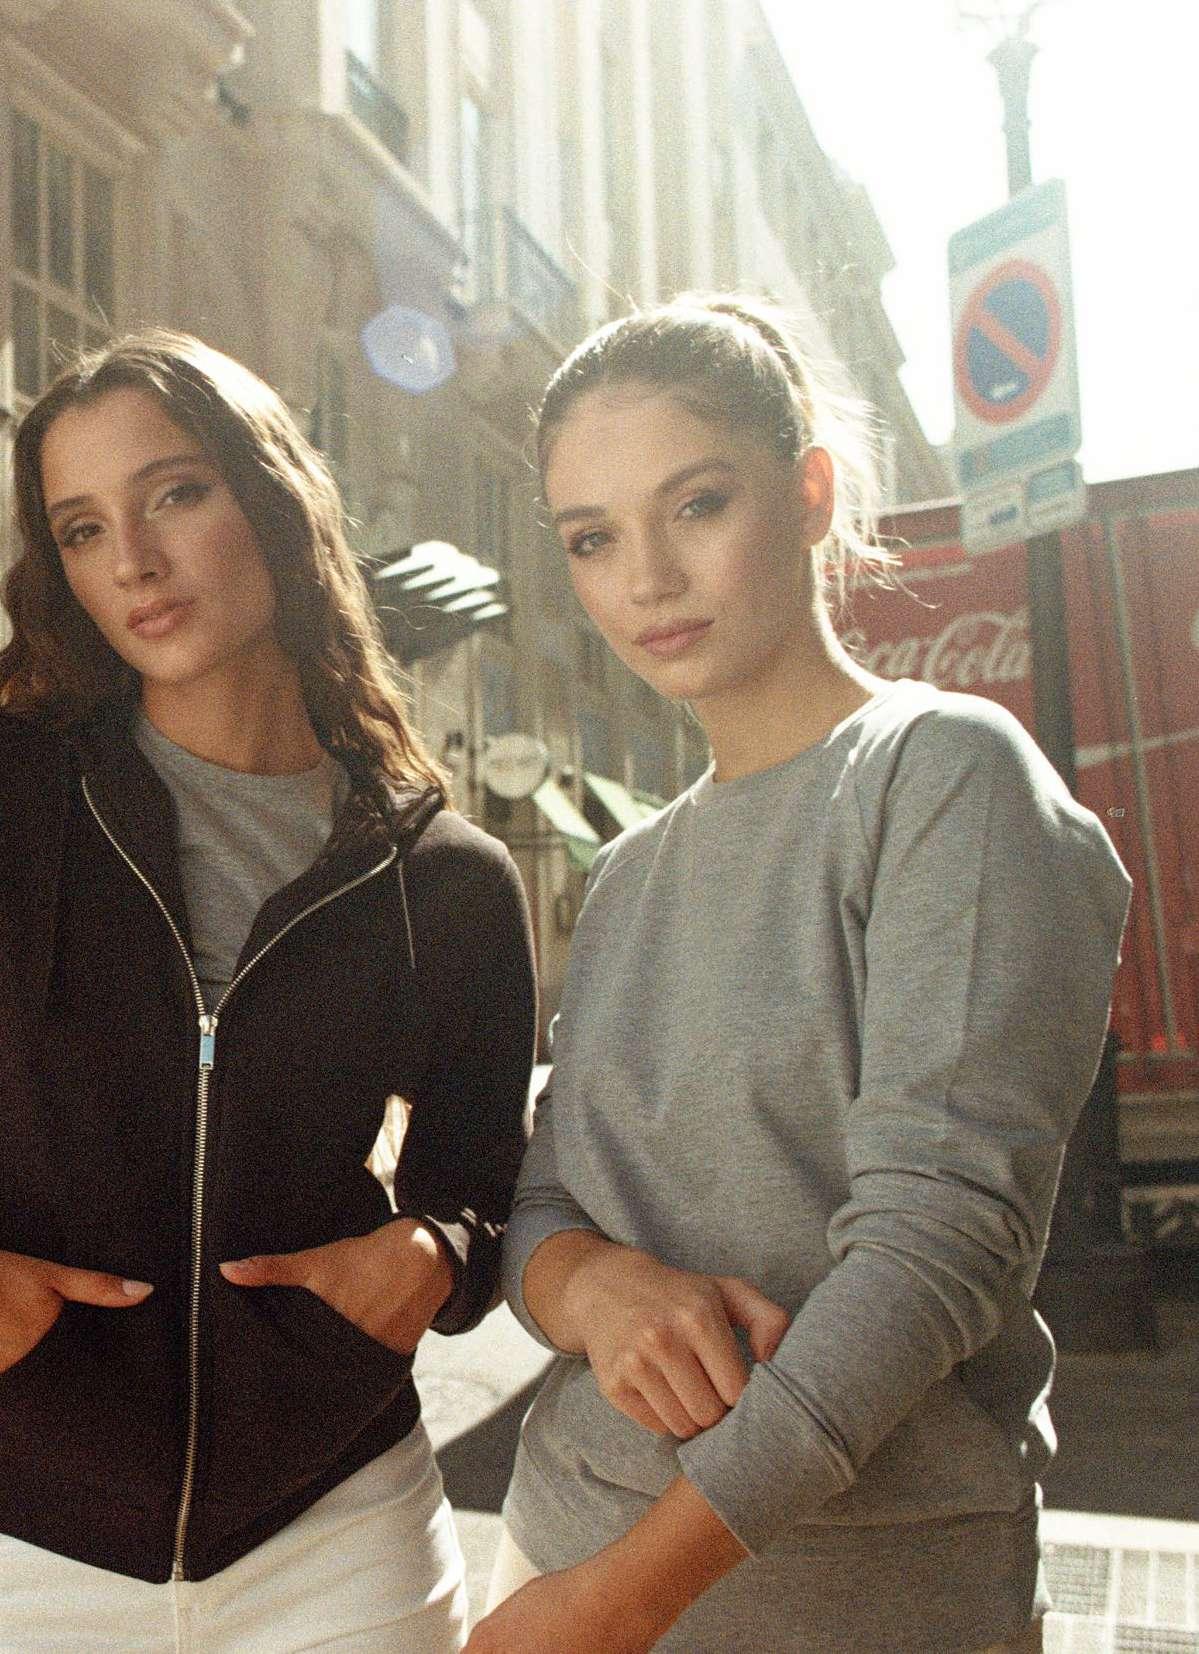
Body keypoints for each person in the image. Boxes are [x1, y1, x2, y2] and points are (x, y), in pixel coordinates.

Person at [467, 295, 1131, 1654]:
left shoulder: (942, 774)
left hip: (851, 1602)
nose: (647, 577)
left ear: (812, 492)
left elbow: (936, 1252)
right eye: (593, 538)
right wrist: (594, 1286)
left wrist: (619, 1600)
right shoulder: (629, 870)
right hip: (556, 1536)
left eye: (697, 505)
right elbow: (542, 1203)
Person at [0, 331, 536, 1652]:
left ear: (273, 496)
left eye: (175, 493)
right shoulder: (14, 795)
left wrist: (433, 1255)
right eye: (82, 529)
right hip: (26, 1535)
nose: (133, 561)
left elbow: (483, 1181)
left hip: (338, 1530)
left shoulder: (445, 879)